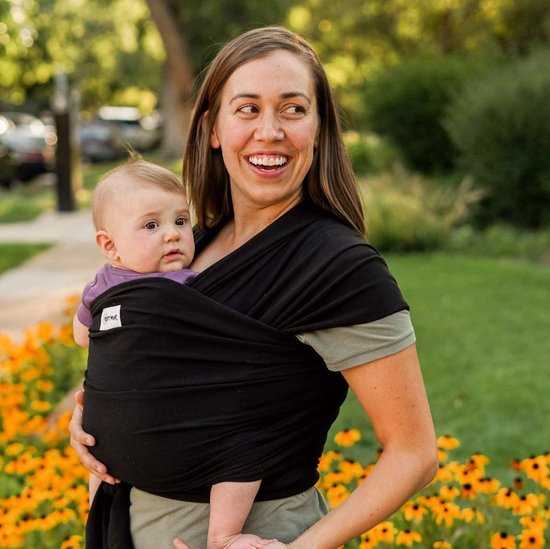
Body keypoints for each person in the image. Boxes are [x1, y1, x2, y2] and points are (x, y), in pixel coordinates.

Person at [70, 25, 438, 549]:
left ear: (318, 128)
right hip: (124, 526)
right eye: (247, 109)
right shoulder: (192, 245)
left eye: (293, 109)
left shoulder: (336, 267)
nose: (270, 131)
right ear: (213, 129)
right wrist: (95, 423)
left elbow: (414, 453)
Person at [73, 157, 273, 549]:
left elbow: (84, 333)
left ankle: (223, 534)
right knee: (98, 468)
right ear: (109, 245)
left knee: (244, 454)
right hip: (112, 439)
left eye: (181, 221)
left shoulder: (192, 282)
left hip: (185, 423)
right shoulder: (124, 284)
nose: (173, 235)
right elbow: (86, 336)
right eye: (152, 225)